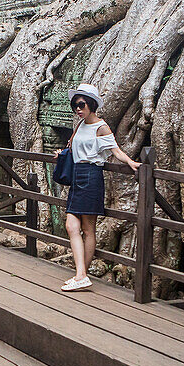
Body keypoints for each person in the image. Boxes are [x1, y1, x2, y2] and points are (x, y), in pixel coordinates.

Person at [57, 84, 140, 293]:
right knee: (71, 226)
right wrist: (62, 154)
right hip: (77, 175)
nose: (78, 108)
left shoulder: (101, 127)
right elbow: (72, 149)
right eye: (75, 105)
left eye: (81, 104)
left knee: (87, 228)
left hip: (91, 176)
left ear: (91, 104)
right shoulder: (80, 125)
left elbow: (115, 151)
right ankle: (81, 274)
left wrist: (130, 162)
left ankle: (81, 275)